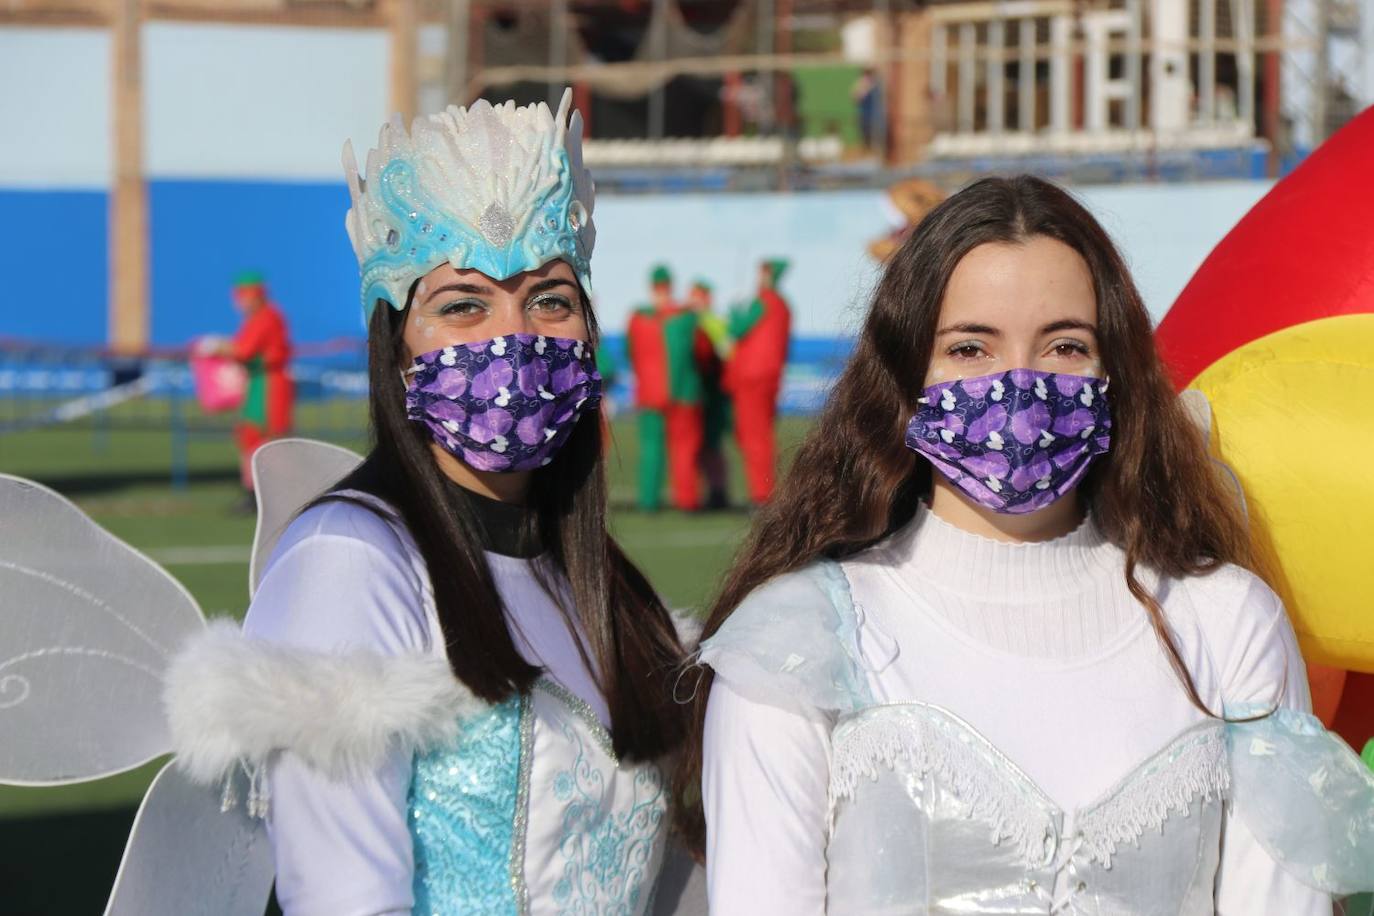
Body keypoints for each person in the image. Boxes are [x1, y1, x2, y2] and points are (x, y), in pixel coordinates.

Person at [680, 176, 1374, 913]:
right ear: (907, 372)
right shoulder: (796, 643)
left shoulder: (1228, 622)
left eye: (1066, 345)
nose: (1020, 387)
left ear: (1118, 373)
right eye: (971, 348)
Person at [172, 91, 690, 914]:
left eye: (549, 299)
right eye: (463, 307)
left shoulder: (603, 587)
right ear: (397, 344)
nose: (512, 338)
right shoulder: (351, 562)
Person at [627, 266, 714, 512]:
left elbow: (629, 351)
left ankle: (648, 500)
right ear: (670, 286)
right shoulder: (686, 318)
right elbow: (704, 351)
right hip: (684, 393)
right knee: (685, 449)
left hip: (650, 394)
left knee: (652, 448)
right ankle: (687, 500)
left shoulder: (638, 319)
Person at [220, 272, 294, 503]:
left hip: (269, 385)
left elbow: (243, 350)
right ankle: (254, 493)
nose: (239, 301)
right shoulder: (259, 318)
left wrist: (218, 349)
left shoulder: (266, 317)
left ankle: (269, 493)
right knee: (250, 436)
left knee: (270, 439)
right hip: (259, 384)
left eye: (243, 296)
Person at [724, 258, 790, 506]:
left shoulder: (764, 301)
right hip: (768, 378)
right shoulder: (783, 306)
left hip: (752, 378)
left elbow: (737, 329)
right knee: (762, 435)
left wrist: (734, 311)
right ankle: (766, 488)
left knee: (753, 436)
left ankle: (762, 493)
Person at [687, 279, 731, 508]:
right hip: (702, 392)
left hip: (712, 392)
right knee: (703, 446)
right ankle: (714, 490)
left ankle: (718, 490)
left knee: (712, 444)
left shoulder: (713, 322)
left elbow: (725, 352)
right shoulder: (693, 321)